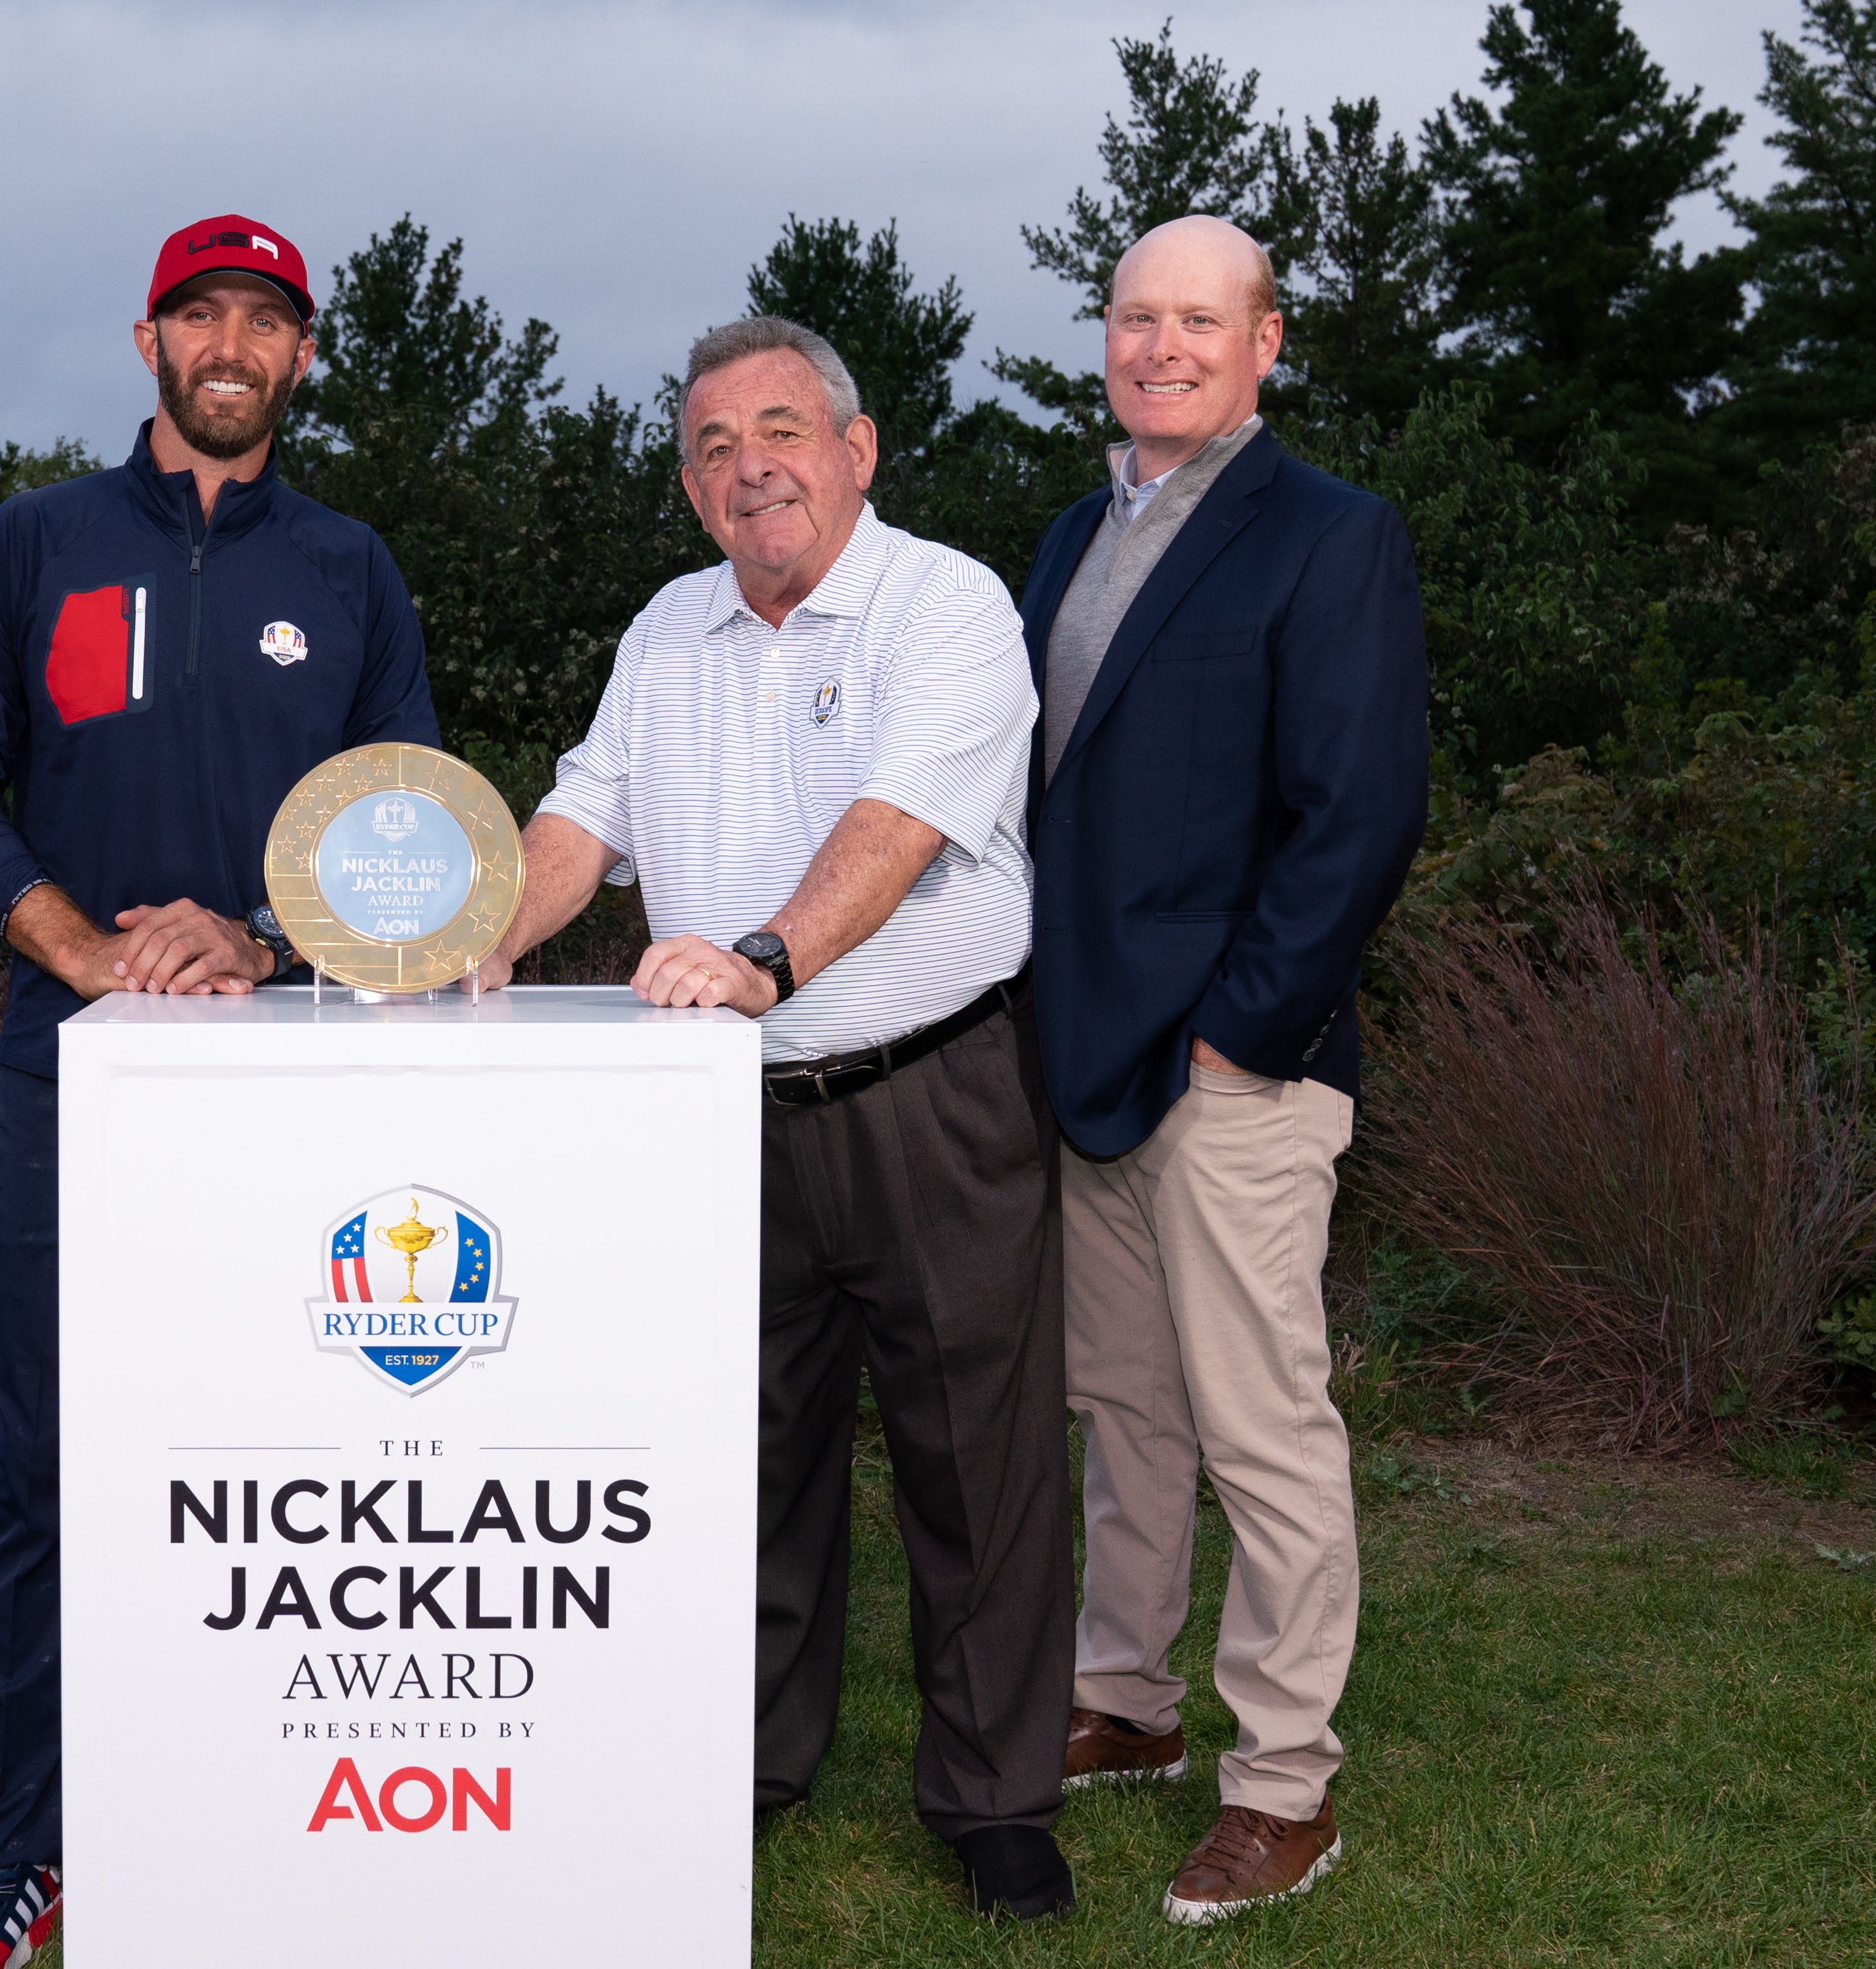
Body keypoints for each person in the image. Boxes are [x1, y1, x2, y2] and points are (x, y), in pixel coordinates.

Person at [481, 316, 1076, 1920]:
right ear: (688, 492)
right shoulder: (665, 631)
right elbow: (579, 820)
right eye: (712, 447)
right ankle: (738, 1766)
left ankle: (995, 1799)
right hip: (714, 1119)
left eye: (780, 429)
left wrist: (762, 958)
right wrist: (475, 939)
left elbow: (891, 831)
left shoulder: (945, 606)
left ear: (855, 449)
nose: (750, 466)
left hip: (929, 1092)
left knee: (977, 1461)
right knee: (739, 1457)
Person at [0, 212, 440, 1969]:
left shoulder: (351, 568)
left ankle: (243, 1828)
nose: (231, 346)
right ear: (148, 343)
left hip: (296, 1104)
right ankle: (13, 1864)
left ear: (299, 358)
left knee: (288, 1480)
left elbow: (406, 847)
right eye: (200, 314)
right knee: (55, 1482)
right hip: (79, 1083)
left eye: (263, 323)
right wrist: (71, 942)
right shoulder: (35, 542)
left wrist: (265, 950)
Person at [1016, 214, 1428, 1924]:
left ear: (1268, 342)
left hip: (1236, 1070)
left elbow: (1359, 819)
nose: (1160, 345)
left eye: (1200, 319)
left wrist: (1235, 1039)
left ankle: (1284, 1785)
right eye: (1133, 317)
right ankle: (1126, 1701)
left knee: (1261, 1426)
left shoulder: (1327, 538)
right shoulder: (1067, 536)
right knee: (1126, 1412)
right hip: (1082, 1061)